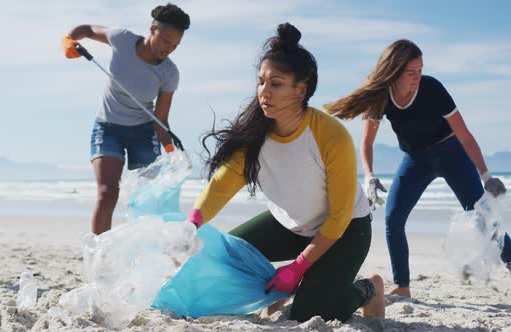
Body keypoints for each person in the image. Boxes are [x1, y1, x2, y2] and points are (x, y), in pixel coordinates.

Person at [186, 23, 385, 323]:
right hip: (289, 225)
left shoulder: (330, 135)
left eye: (276, 84)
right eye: (261, 82)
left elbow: (340, 217)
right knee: (226, 261)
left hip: (346, 231)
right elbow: (221, 186)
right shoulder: (255, 134)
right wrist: (193, 223)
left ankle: (369, 288)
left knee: (311, 312)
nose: (264, 92)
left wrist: (298, 267)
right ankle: (290, 290)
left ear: (300, 90)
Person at [325, 39, 510, 298]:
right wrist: (369, 176)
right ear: (394, 72)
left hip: (451, 153)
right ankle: (402, 286)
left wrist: (486, 175)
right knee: (393, 219)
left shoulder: (432, 88)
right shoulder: (381, 97)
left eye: (420, 70)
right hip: (415, 161)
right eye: (411, 72)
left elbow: (465, 135)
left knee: (481, 217)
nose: (417, 77)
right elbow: (366, 142)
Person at [61, 4, 190, 234]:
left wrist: (171, 152)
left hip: (143, 134)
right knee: (107, 193)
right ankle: (100, 255)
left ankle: (141, 253)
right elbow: (88, 29)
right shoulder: (122, 40)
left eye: (175, 45)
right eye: (165, 40)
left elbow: (160, 120)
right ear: (153, 28)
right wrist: (69, 39)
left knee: (145, 201)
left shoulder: (170, 73)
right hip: (108, 128)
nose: (168, 49)